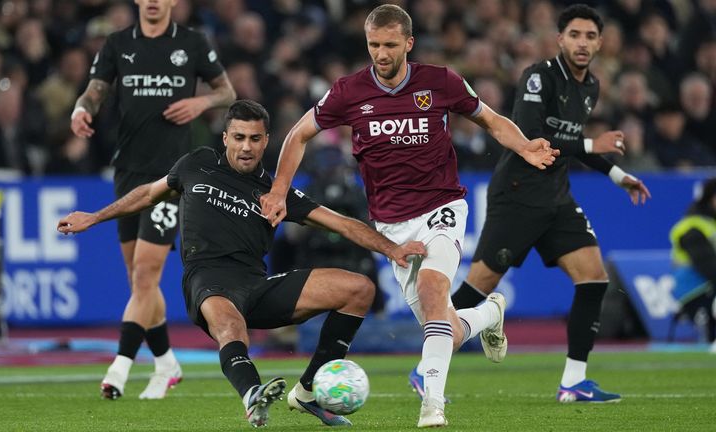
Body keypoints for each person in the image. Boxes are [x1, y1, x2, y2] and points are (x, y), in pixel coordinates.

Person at [259, 4, 558, 428]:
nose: (381, 54)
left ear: (408, 43)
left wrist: (526, 146)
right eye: (374, 45)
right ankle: (490, 313)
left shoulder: (440, 81)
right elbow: (299, 134)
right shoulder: (348, 91)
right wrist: (278, 190)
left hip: (442, 208)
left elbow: (489, 119)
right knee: (444, 328)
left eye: (390, 45)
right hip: (392, 226)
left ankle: (432, 404)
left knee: (436, 292)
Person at [58, 100, 427, 427]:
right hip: (207, 280)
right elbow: (147, 194)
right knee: (231, 326)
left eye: (254, 139)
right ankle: (253, 396)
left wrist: (392, 248)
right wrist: (94, 217)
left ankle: (309, 390)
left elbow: (342, 224)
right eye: (238, 138)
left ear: (266, 141)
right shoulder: (197, 164)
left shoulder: (275, 191)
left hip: (257, 285)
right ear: (225, 138)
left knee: (359, 288)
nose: (246, 147)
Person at [450, 4, 652, 403]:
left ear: (600, 43)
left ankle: (573, 383)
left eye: (590, 36)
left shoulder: (590, 86)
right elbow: (532, 134)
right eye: (574, 35)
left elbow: (574, 142)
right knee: (478, 287)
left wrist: (617, 175)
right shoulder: (538, 77)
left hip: (556, 198)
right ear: (560, 39)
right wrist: (595, 143)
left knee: (593, 278)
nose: (582, 43)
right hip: (518, 194)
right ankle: (425, 366)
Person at [70, 0, 236, 400]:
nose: (155, 2)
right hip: (128, 171)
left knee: (146, 275)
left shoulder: (192, 43)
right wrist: (80, 108)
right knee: (138, 282)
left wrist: (200, 102)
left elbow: (226, 92)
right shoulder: (116, 43)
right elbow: (95, 91)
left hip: (172, 176)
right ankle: (166, 362)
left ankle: (119, 368)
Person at [669, 178, 716, 348]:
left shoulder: (711, 224)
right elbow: (708, 266)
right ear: (712, 199)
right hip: (695, 291)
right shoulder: (692, 228)